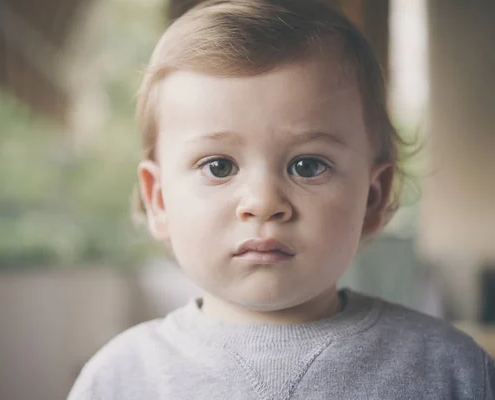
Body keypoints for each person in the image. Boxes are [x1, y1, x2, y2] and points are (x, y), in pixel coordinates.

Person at [68, 1, 495, 398]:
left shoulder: (451, 370)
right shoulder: (118, 380)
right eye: (219, 166)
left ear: (372, 197)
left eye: (308, 165)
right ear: (159, 201)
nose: (263, 202)